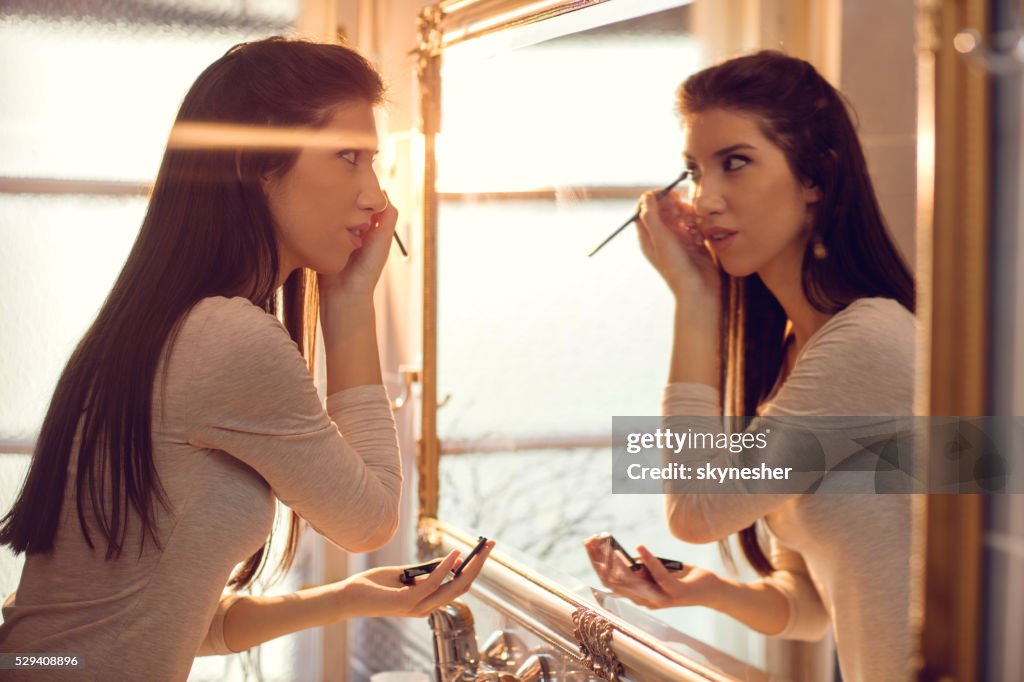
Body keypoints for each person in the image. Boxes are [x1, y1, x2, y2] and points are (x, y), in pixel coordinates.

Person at [0, 37, 492, 680]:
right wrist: (348, 305)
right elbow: (370, 519)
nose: (375, 196)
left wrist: (348, 597)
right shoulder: (227, 338)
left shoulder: (170, 324)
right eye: (348, 158)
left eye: (373, 161)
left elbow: (159, 624)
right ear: (254, 164)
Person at [585, 51, 916, 682]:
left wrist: (695, 298)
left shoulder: (867, 343)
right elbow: (810, 604)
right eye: (693, 170)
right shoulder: (803, 351)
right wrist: (703, 590)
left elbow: (696, 510)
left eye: (735, 163)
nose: (705, 199)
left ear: (816, 176)